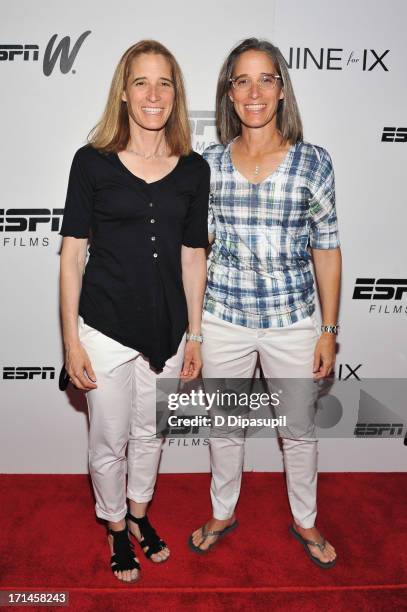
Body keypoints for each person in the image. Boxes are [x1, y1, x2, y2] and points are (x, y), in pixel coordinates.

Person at [60, 39, 209, 583]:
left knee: (151, 435)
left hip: (169, 329)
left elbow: (194, 258)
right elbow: (72, 257)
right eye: (141, 82)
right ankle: (116, 526)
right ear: (124, 93)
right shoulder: (91, 162)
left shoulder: (194, 170)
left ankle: (140, 515)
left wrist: (195, 334)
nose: (153, 94)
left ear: (176, 93)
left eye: (164, 82)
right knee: (108, 439)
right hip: (102, 327)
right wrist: (71, 341)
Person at [189, 38, 341, 568]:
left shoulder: (313, 162)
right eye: (242, 81)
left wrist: (328, 328)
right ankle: (223, 512)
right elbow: (198, 253)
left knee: (297, 432)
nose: (254, 91)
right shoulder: (208, 163)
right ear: (229, 94)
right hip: (223, 319)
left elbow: (327, 248)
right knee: (224, 428)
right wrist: (195, 331)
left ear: (281, 90)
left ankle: (305, 520)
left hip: (293, 322)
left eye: (265, 79)